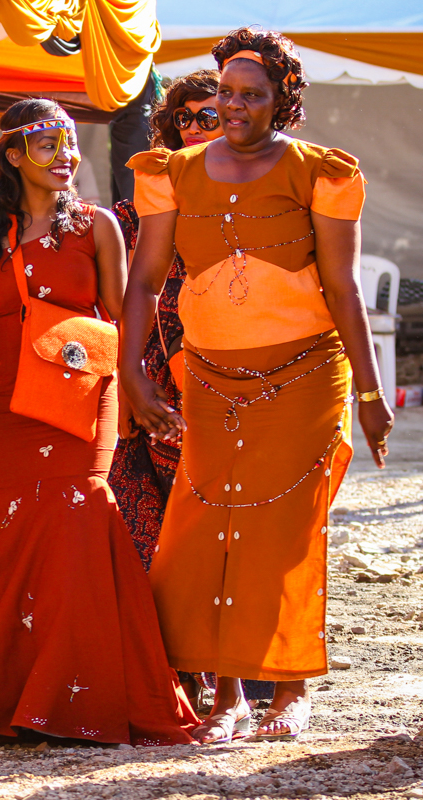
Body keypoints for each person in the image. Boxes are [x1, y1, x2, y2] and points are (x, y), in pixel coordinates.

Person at [122, 27, 394, 743]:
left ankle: (290, 693)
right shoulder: (170, 171)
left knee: (280, 533)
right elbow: (145, 281)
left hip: (305, 376)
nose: (235, 107)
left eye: (252, 96)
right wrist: (132, 376)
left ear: (282, 101)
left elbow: (344, 289)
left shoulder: (320, 172)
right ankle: (227, 699)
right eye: (227, 93)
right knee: (204, 531)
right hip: (208, 377)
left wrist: (369, 397)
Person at [0, 99, 198, 748]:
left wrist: (133, 391)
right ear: (13, 156)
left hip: (79, 398)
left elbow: (126, 318)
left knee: (76, 522)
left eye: (70, 143)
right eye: (49, 144)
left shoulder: (96, 225)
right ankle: (0, 697)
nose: (67, 155)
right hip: (1, 403)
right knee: (9, 530)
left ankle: (76, 701)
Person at [108, 69, 221, 570]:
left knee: (214, 502)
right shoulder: (141, 204)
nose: (193, 126)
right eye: (184, 117)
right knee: (144, 508)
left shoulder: (258, 197)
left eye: (208, 116)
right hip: (149, 365)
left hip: (223, 363)